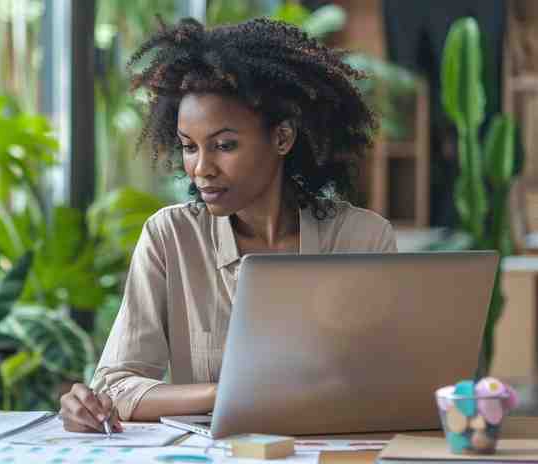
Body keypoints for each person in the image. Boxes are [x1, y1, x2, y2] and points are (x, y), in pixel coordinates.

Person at [59, 16, 397, 433]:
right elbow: (116, 385)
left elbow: (391, 385)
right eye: (189, 147)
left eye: (224, 145)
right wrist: (226, 392)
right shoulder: (171, 238)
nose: (201, 168)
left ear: (282, 138)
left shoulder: (362, 239)